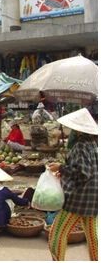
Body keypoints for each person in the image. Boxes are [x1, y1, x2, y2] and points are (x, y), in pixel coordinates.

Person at [47, 108, 98, 261]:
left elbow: (83, 173)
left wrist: (61, 167)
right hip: (93, 197)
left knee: (56, 234)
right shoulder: (93, 144)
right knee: (93, 235)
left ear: (79, 130)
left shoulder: (81, 145)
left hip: (79, 198)